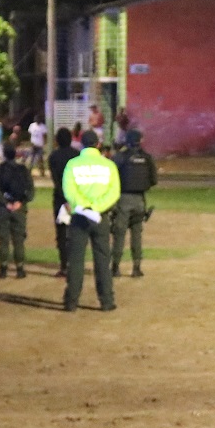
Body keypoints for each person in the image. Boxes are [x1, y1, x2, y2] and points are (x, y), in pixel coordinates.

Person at [60, 129, 120, 312]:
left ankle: (71, 301)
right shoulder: (108, 165)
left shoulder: (73, 164)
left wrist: (84, 206)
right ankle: (106, 301)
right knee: (102, 259)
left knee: (76, 260)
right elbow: (113, 192)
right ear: (98, 144)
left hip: (79, 216)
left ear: (81, 144)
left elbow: (69, 191)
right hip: (100, 216)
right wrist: (96, 207)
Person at [107, 128, 157, 279]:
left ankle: (115, 267)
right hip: (140, 200)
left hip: (123, 199)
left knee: (119, 233)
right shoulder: (147, 158)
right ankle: (136, 267)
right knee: (136, 234)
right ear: (140, 141)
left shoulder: (120, 157)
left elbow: (110, 176)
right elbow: (153, 180)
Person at [0, 142, 36, 279]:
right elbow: (31, 191)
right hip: (20, 209)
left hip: (2, 208)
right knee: (19, 240)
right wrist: (20, 202)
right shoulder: (23, 169)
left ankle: (3, 269)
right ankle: (20, 269)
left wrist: (5, 203)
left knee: (3, 240)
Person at [47, 129, 76, 277]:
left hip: (61, 199)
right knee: (75, 232)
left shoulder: (54, 156)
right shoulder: (77, 155)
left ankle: (64, 265)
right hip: (77, 199)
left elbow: (56, 181)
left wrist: (64, 199)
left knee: (62, 233)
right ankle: (75, 264)